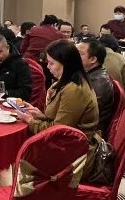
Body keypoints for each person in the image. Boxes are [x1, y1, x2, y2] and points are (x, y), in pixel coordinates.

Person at [16, 40, 101, 178]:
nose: (47, 66)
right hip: (67, 144)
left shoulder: (74, 89)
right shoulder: (66, 83)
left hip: (74, 154)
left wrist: (31, 121)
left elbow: (59, 131)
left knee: (18, 152)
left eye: (51, 63)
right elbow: (62, 119)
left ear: (65, 64)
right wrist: (40, 115)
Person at [0, 34, 33, 101]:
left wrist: (4, 93)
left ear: (8, 48)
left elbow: (26, 92)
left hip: (10, 103)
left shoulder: (19, 64)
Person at [78, 40, 114, 134]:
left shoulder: (99, 82)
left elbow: (85, 115)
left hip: (89, 133)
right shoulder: (89, 74)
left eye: (80, 54)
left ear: (93, 59)